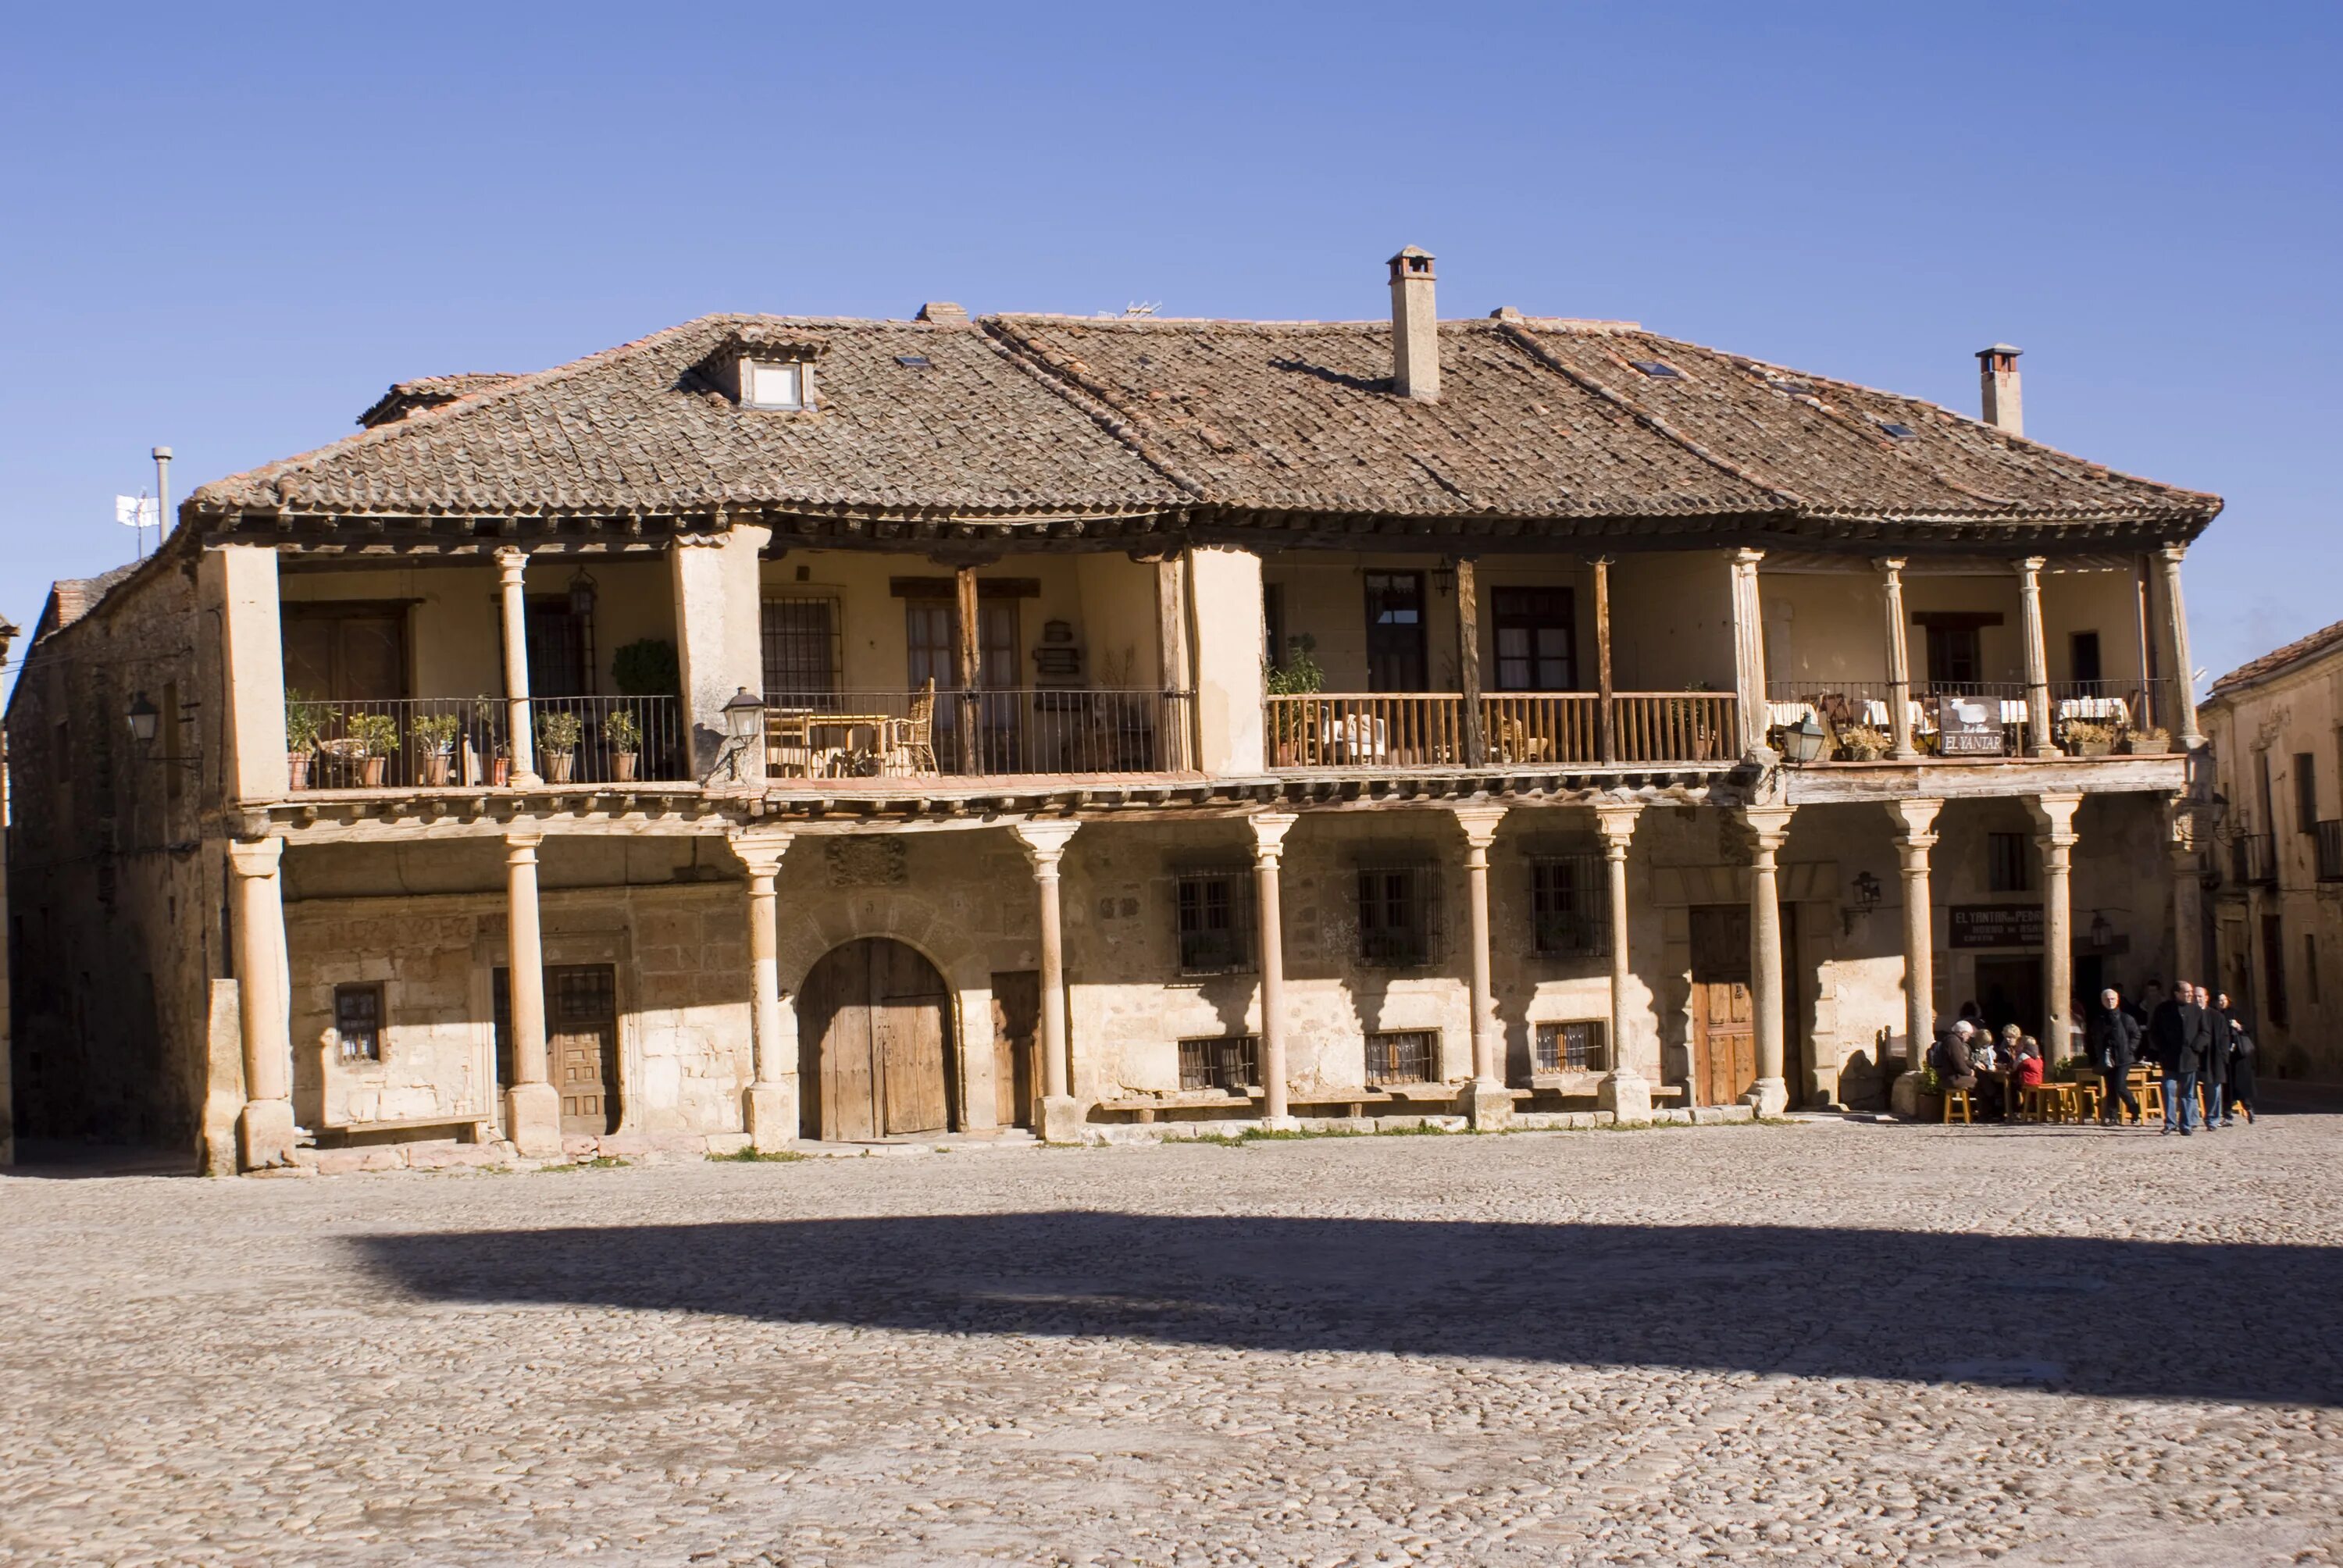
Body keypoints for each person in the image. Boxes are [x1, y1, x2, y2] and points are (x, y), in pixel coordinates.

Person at [2149, 981, 2209, 1135]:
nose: (2189, 995)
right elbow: (2154, 1031)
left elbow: (2205, 1032)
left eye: (2190, 992)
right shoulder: (2163, 1009)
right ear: (2176, 993)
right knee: (2169, 1090)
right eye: (2186, 992)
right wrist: (2162, 1049)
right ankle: (2170, 1123)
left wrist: (2196, 1047)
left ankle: (2186, 1124)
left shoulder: (2196, 1010)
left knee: (2188, 1094)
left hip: (2190, 1058)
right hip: (2170, 1058)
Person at [2088, 986, 2143, 1124]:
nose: (2110, 1002)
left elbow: (2136, 1035)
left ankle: (2134, 1108)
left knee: (2120, 1085)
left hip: (2124, 1058)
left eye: (2113, 999)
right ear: (2102, 1001)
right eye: (2107, 999)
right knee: (2110, 1087)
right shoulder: (2099, 1019)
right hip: (2107, 1058)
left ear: (2117, 1000)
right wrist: (2096, 1056)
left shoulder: (2126, 1018)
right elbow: (2093, 1038)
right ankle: (2112, 1117)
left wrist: (2130, 1049)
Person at [2202, 987, 2234, 1129]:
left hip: (2214, 1057)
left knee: (2214, 1088)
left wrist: (2223, 1056)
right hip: (2192, 1057)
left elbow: (2224, 1038)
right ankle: (2189, 1119)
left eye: (2200, 996)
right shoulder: (2190, 1013)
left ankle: (2213, 1119)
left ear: (2206, 998)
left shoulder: (2217, 1017)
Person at [2221, 999, 2258, 1124]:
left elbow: (2249, 1028)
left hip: (2238, 1056)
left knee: (2240, 1086)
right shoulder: (2216, 1014)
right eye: (2219, 1000)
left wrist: (2238, 1026)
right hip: (2225, 1056)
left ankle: (2248, 1109)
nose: (2221, 1002)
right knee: (2227, 1087)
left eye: (2223, 1000)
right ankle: (2228, 1116)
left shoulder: (2236, 1013)